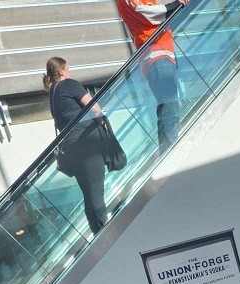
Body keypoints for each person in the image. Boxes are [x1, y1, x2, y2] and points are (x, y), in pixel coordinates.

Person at [44, 57, 109, 235]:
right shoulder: (69, 84)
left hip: (72, 149)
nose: (70, 72)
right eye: (68, 69)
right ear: (63, 71)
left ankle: (98, 233)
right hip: (87, 143)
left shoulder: (53, 93)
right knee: (97, 192)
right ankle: (108, 233)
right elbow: (95, 108)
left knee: (88, 195)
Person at [115, 0, 189, 150]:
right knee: (170, 106)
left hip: (159, 53)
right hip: (156, 54)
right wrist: (174, 4)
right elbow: (146, 13)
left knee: (166, 106)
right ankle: (170, 150)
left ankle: (166, 149)